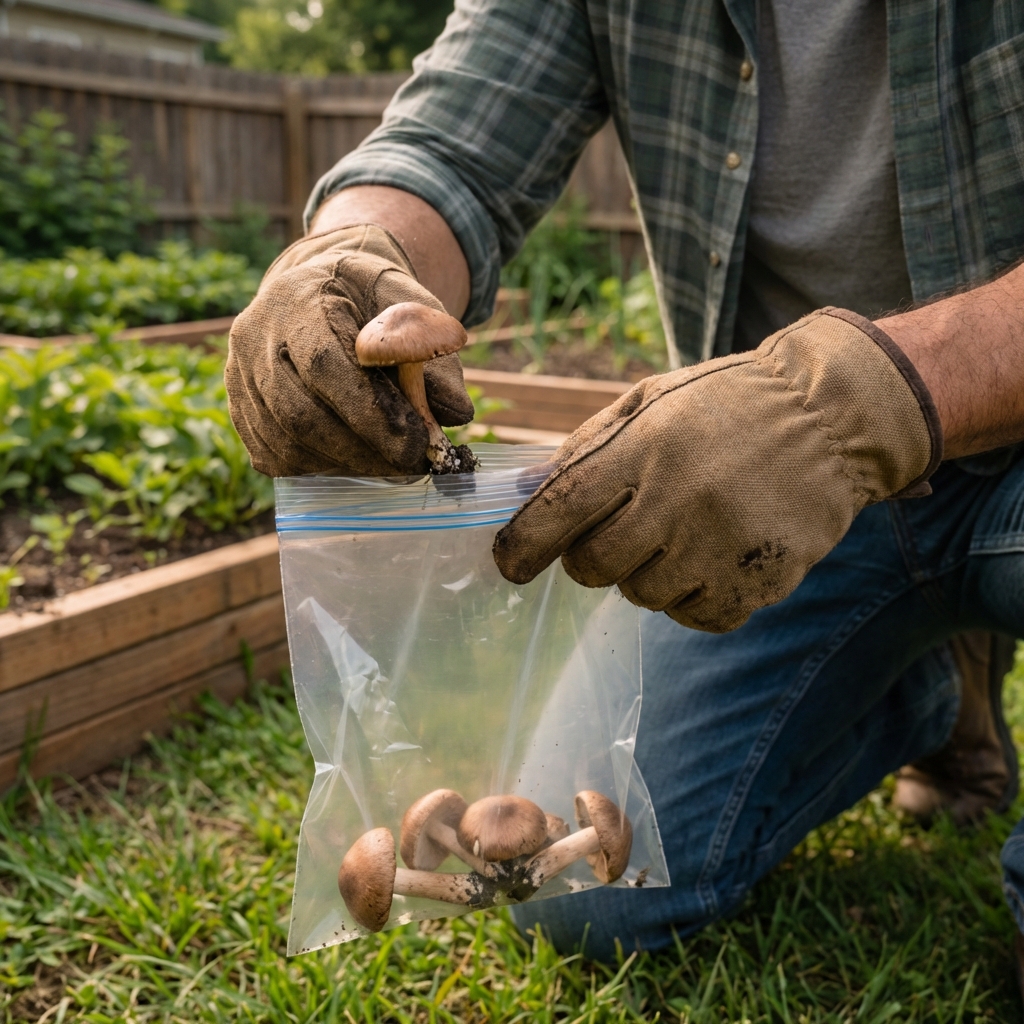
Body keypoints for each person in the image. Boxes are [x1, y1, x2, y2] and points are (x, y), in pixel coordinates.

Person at [225, 0, 1024, 981]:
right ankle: (930, 686)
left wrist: (852, 403)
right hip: (776, 505)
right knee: (584, 892)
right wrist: (343, 255)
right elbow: (451, 142)